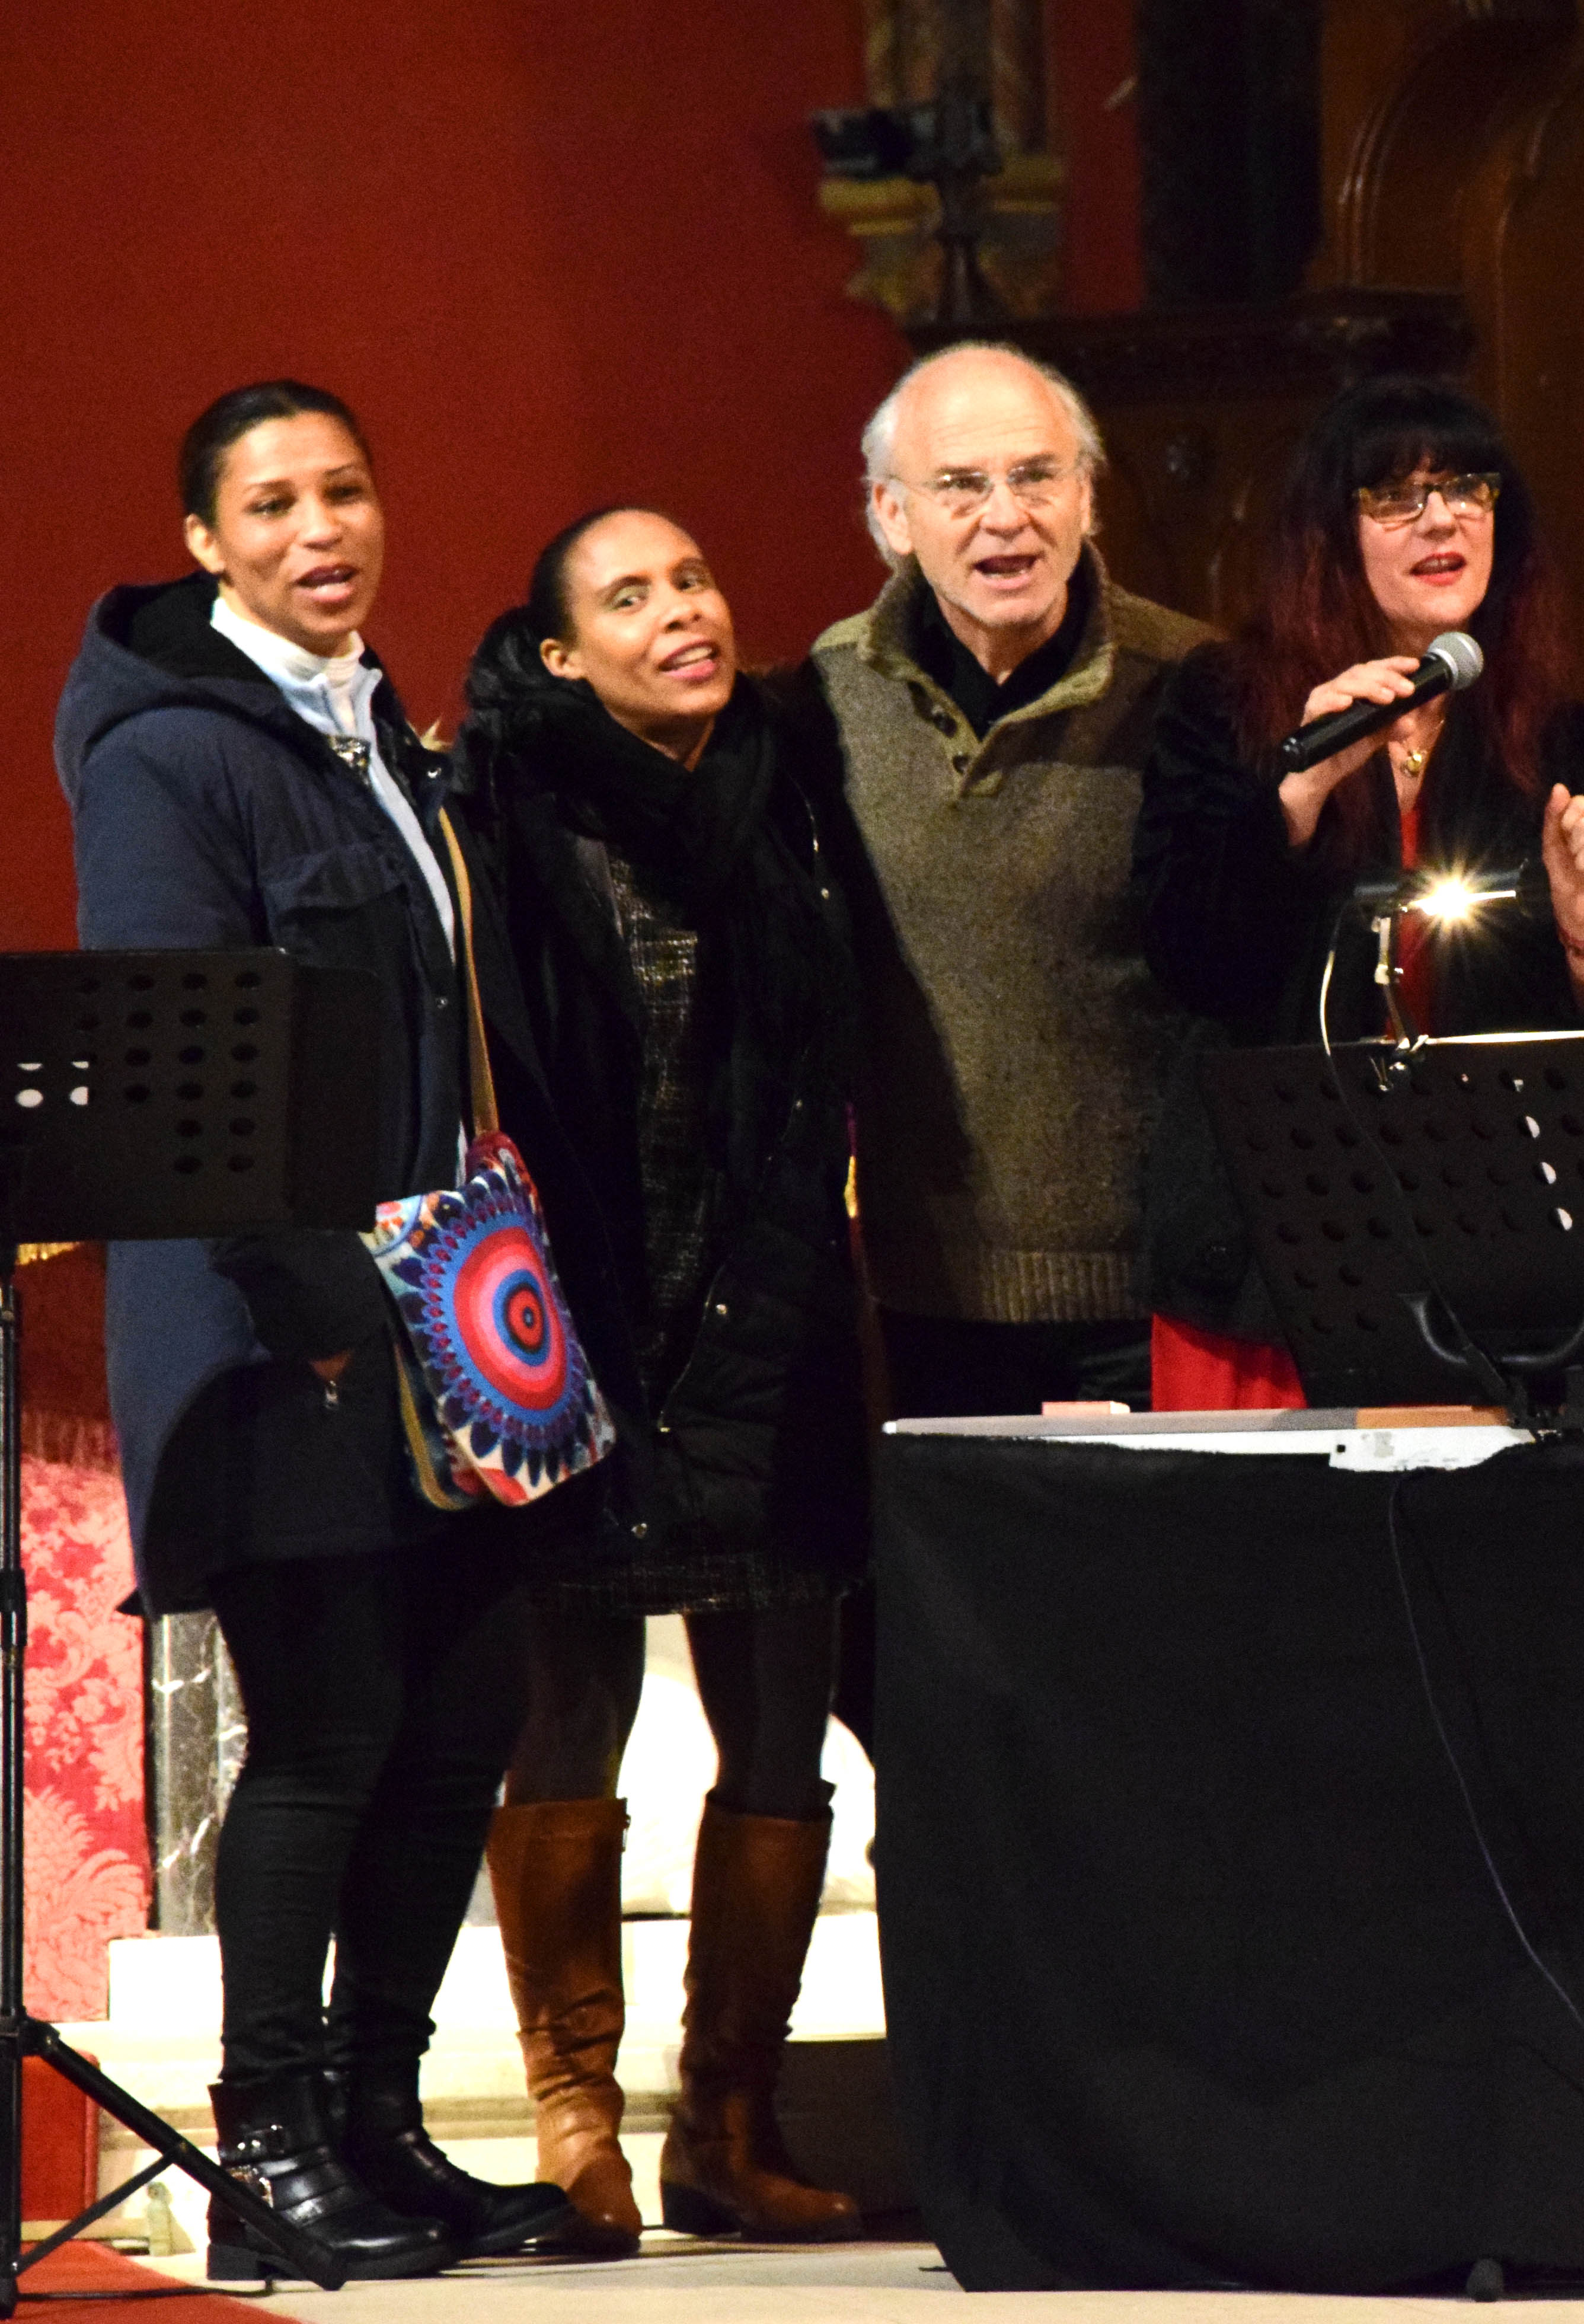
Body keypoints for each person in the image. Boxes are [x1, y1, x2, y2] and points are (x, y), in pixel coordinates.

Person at [53, 382, 576, 2281]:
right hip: (280, 1323)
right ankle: (263, 2150)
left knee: (463, 1716)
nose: (318, 529)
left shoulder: (370, 732)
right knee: (333, 1725)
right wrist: (313, 1303)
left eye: (343, 490)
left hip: (437, 1319)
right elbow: (181, 1049)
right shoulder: (168, 754)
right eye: (270, 504)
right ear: (205, 542)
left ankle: (379, 2123)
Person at [456, 508, 866, 2249]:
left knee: (778, 1721)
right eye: (629, 598)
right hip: (582, 1316)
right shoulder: (502, 810)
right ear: (562, 654)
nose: (682, 612)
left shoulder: (790, 781)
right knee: (572, 1711)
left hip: (771, 1298)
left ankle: (727, 2120)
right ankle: (576, 2118)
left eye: (694, 578)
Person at [1135, 375, 1584, 1404]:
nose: (1442, 518)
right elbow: (1190, 964)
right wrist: (1297, 796)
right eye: (1395, 495)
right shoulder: (1228, 710)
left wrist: (1582, 940)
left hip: (1490, 1258)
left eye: (1468, 488)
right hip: (1265, 1256)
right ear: (1329, 536)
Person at [816, 341, 1211, 1426]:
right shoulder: (823, 701)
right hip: (917, 1296)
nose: (1007, 516)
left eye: (1038, 475)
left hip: (1156, 1298)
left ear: (1088, 497)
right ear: (892, 515)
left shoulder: (1197, 689)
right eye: (960, 484)